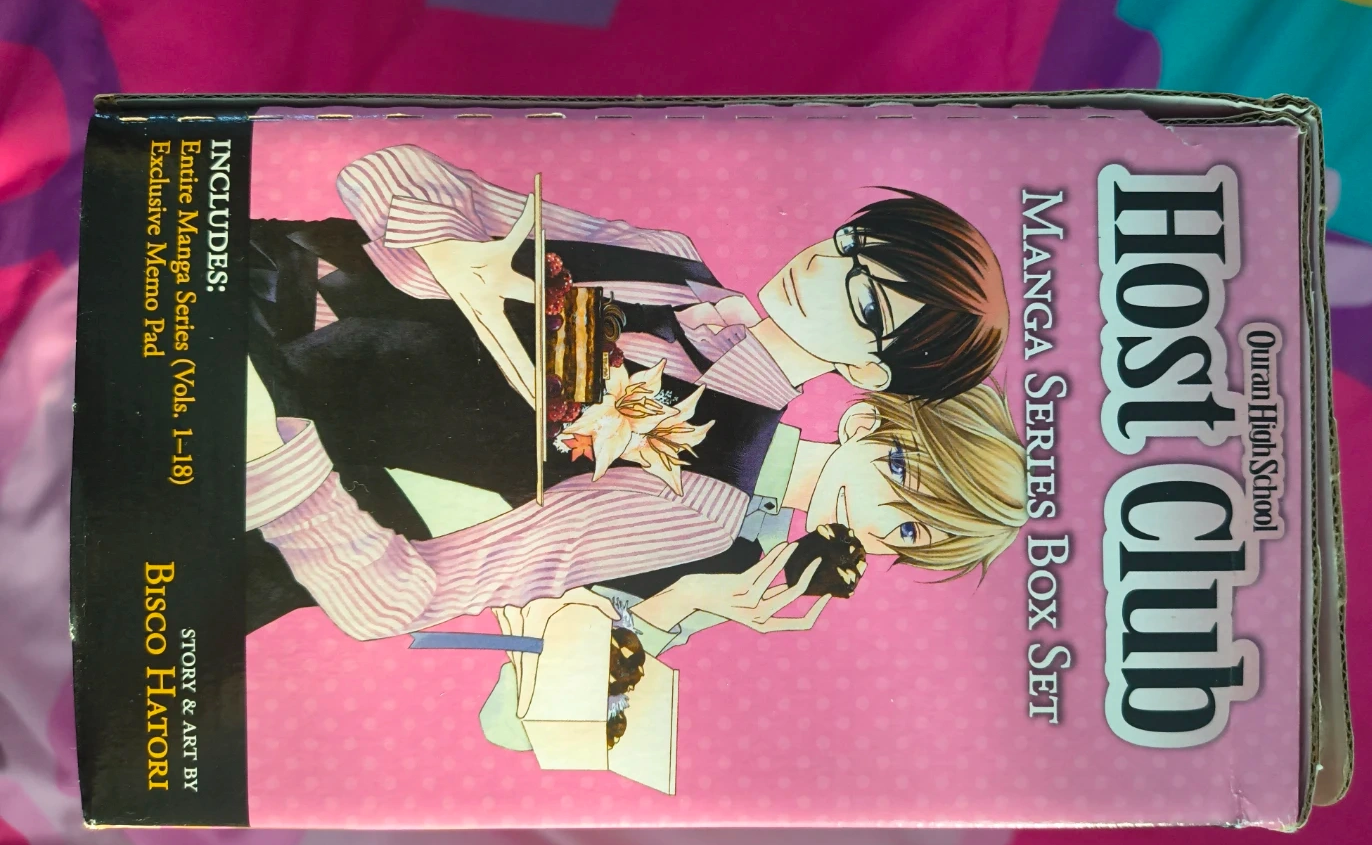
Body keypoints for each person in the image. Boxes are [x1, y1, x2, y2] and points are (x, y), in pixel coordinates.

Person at [245, 144, 1011, 629]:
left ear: (870, 377)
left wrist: (270, 450)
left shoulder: (703, 501)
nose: (821, 266)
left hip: (241, 448)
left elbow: (405, 598)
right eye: (849, 245)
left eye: (866, 304)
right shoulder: (668, 263)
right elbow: (391, 171)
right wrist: (445, 251)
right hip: (241, 272)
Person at [245, 365, 1026, 647]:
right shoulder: (726, 390)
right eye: (901, 468)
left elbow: (585, 682)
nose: (883, 513)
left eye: (910, 528)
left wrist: (682, 601)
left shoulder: (741, 554)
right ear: (863, 422)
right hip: (314, 428)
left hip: (309, 506)